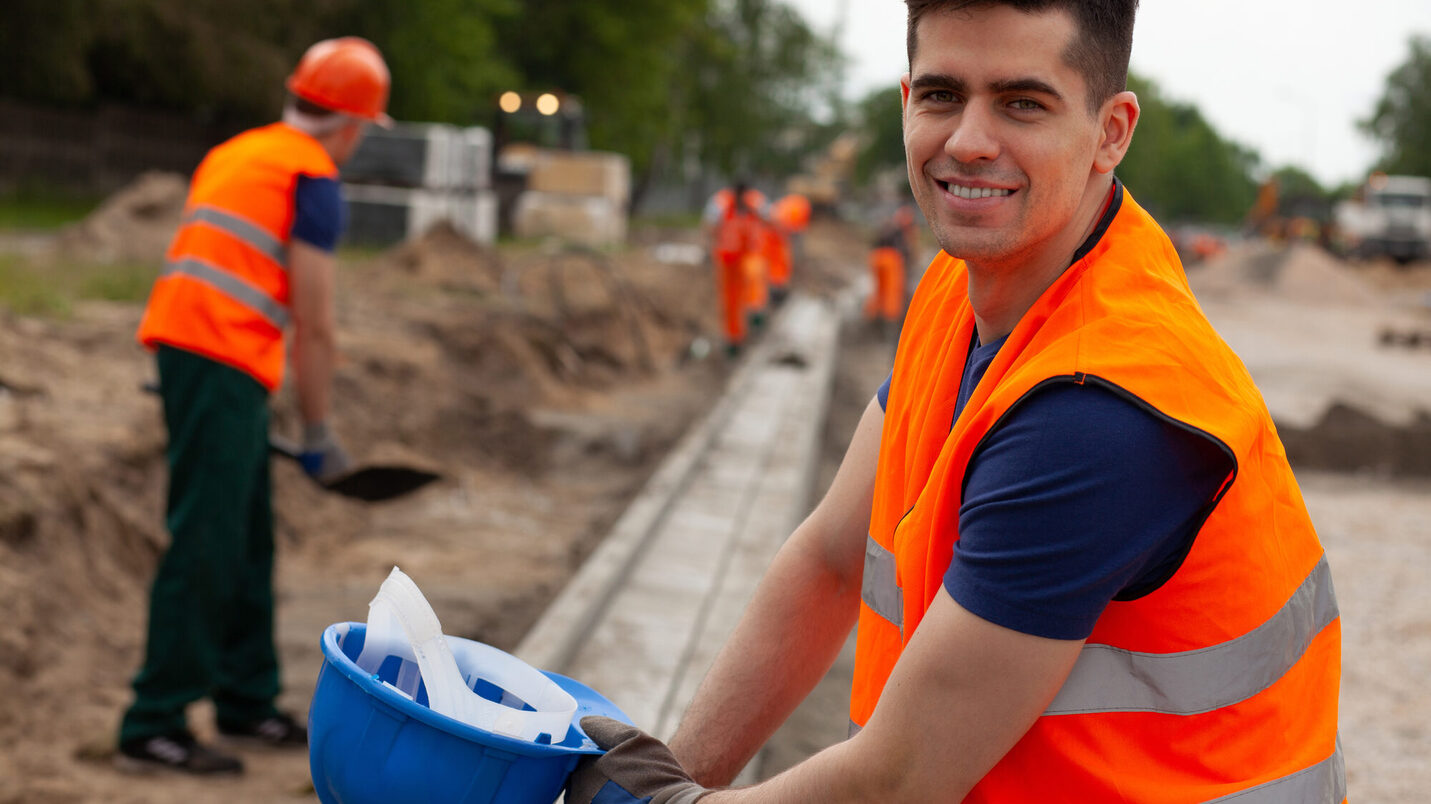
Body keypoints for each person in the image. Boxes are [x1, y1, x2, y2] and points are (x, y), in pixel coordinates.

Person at [568, 1, 1343, 802]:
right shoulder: (962, 287)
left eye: (1021, 103)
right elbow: (831, 561)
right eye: (941, 95)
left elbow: (899, 780)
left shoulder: (1096, 415)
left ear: (1111, 132)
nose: (968, 141)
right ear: (905, 101)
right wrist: (672, 774)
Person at [116, 37, 392, 776]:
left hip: (194, 353)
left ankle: (246, 700)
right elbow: (317, 322)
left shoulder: (239, 151)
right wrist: (318, 429)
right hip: (219, 360)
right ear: (353, 125)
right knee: (207, 539)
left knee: (246, 537)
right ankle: (154, 721)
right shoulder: (311, 178)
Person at [703, 182, 771, 356]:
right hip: (728, 261)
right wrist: (709, 248)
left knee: (754, 279)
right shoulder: (720, 203)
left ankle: (755, 310)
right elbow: (709, 226)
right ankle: (734, 338)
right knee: (730, 301)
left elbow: (770, 219)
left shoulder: (756, 203)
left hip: (748, 256)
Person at [864, 202, 918, 331]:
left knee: (878, 291)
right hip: (891, 261)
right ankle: (890, 325)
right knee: (893, 296)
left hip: (876, 258)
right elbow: (908, 252)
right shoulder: (902, 232)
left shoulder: (887, 227)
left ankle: (872, 319)